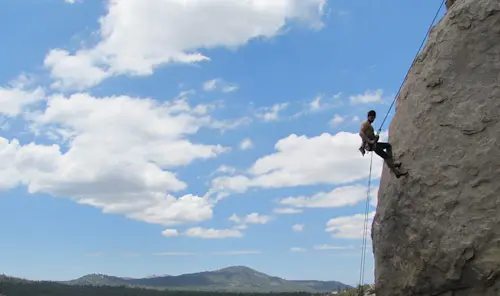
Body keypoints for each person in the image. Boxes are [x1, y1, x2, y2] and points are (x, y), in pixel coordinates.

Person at [359, 110, 408, 178]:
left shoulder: (369, 125)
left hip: (373, 145)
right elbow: (361, 133)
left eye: (374, 118)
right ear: (368, 116)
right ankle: (395, 171)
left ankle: (393, 166)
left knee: (388, 147)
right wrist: (370, 142)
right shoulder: (365, 124)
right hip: (372, 146)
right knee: (386, 156)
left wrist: (376, 137)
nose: (373, 119)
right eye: (372, 118)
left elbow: (369, 136)